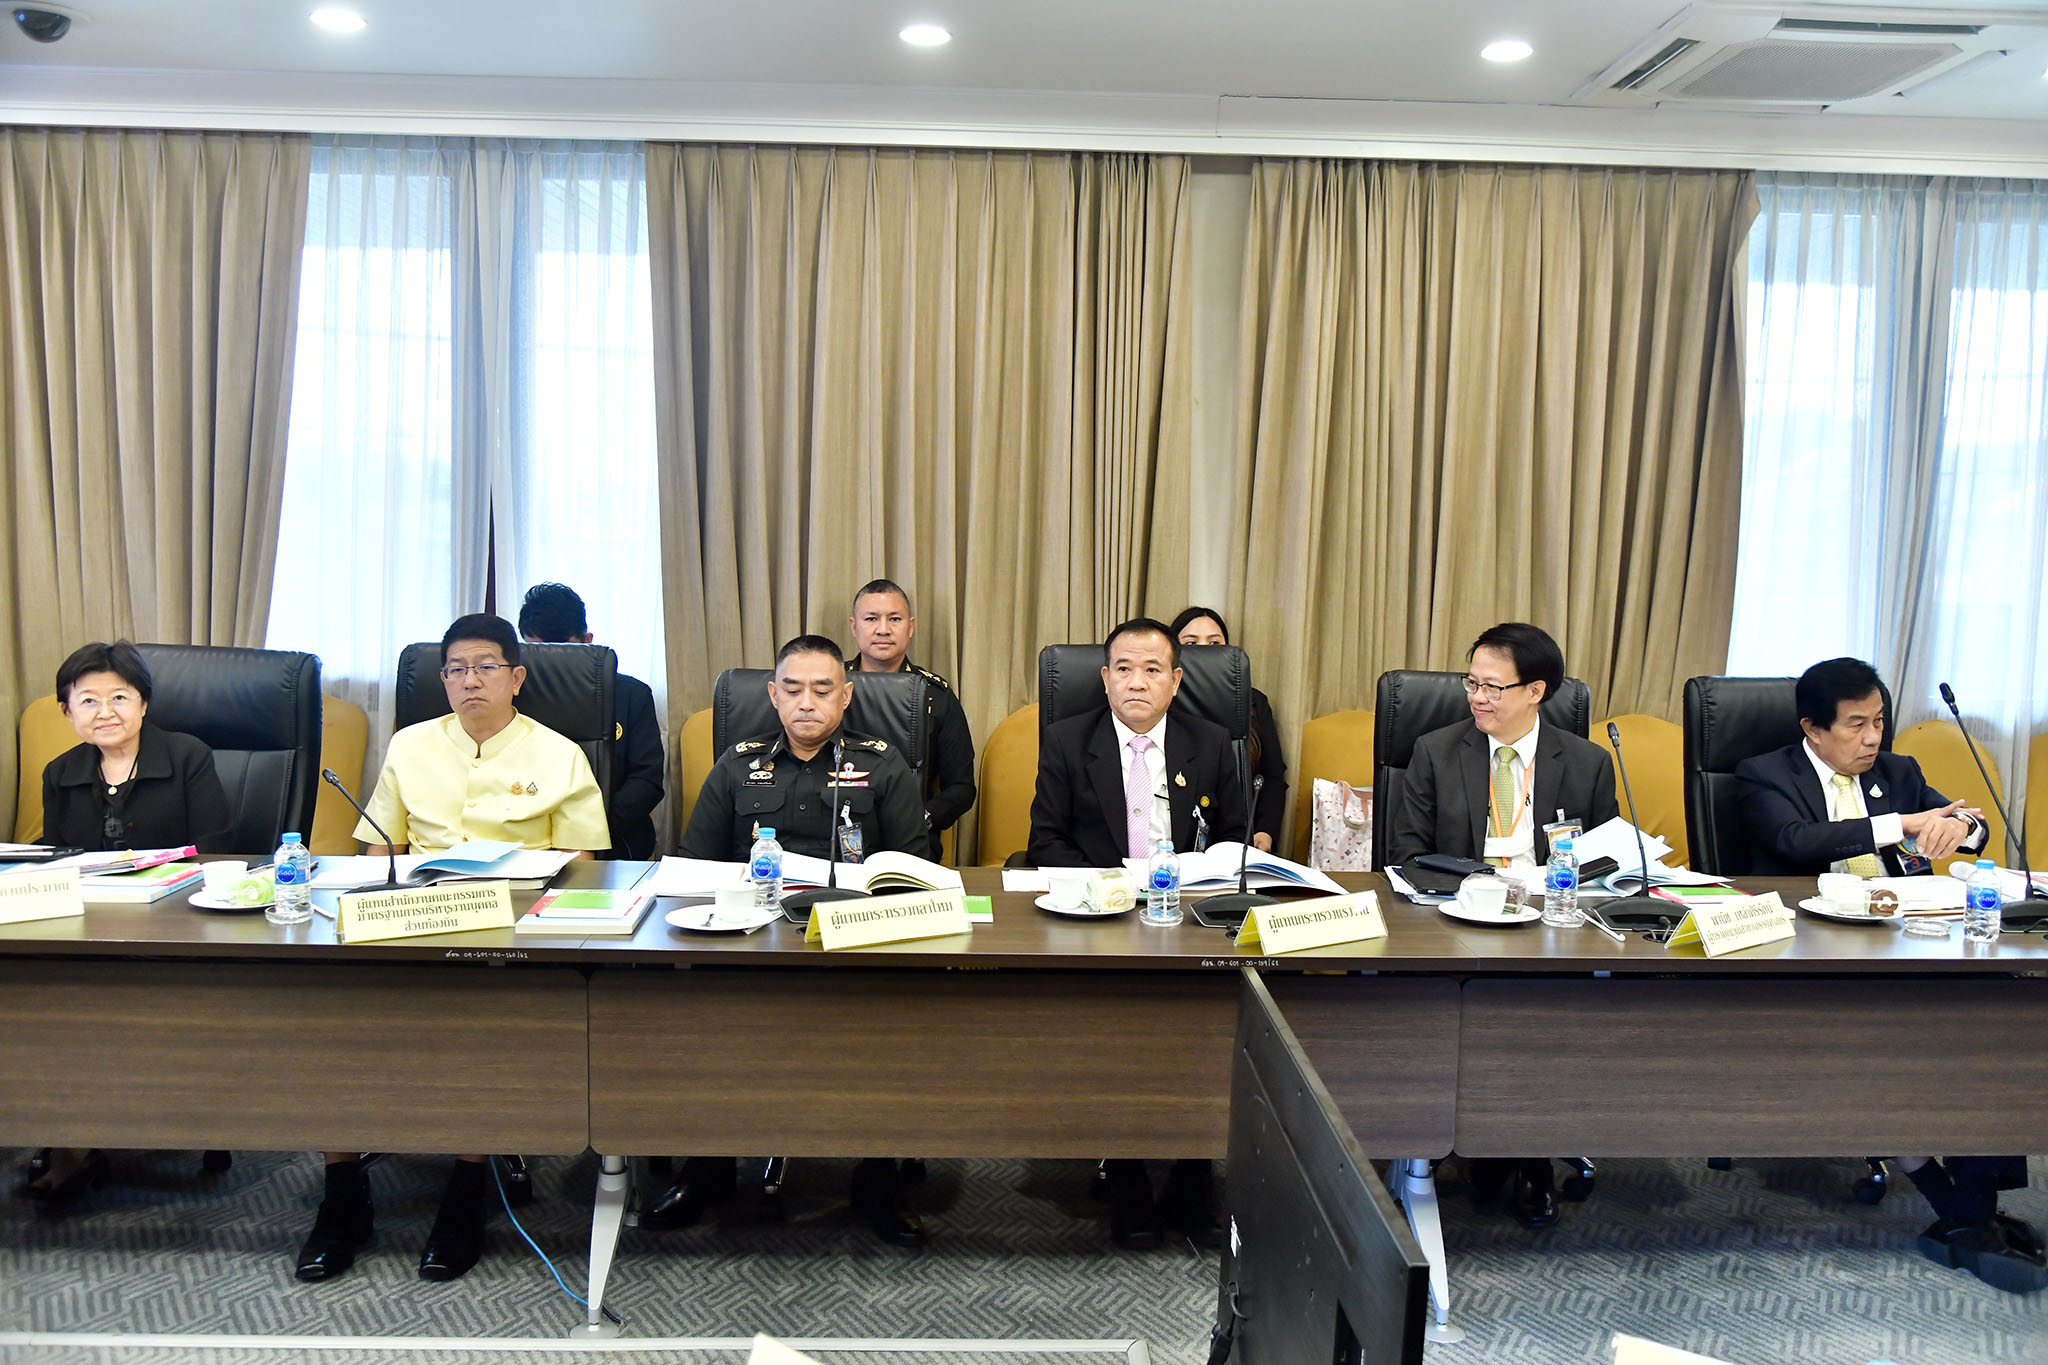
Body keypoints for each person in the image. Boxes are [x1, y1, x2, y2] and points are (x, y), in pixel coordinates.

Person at [296, 613, 609, 1285]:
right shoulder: (409, 745)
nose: (471, 680)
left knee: (479, 1028)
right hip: (415, 917)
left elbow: (580, 868)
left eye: (486, 667)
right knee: (327, 1015)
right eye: (456, 669)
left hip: (509, 935)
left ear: (516, 678)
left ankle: (467, 1189)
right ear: (441, 680)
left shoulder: (560, 754)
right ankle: (342, 1194)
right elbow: (380, 850)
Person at [1735, 658, 2036, 1293]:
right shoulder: (1763, 774)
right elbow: (1795, 842)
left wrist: (1960, 825)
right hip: (1811, 954)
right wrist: (1903, 824)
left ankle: (1973, 1206)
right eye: (1856, 725)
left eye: (1879, 721)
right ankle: (1957, 1206)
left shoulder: (1900, 772)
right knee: (1898, 1049)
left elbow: (1967, 824)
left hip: (1908, 944)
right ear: (1813, 728)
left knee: (1991, 1033)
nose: (1873, 737)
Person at [654, 634, 930, 1246]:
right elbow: (694, 867)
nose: (808, 702)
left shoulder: (883, 764)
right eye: (794, 689)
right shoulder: (737, 765)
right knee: (699, 1021)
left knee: (889, 1028)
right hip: (747, 944)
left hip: (853, 948)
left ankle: (878, 1177)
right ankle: (707, 1169)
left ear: (846, 696)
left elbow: (912, 869)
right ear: (773, 695)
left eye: (823, 689)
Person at [1384, 621, 1618, 1231]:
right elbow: (1407, 855)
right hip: (1456, 925)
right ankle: (1479, 1146)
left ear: (1536, 691)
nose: (1478, 698)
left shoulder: (1588, 763)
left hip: (1551, 933)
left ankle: (1526, 1151)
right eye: (1472, 683)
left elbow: (1604, 863)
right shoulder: (1436, 751)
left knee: (1543, 1011)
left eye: (1493, 686)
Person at [1025, 617, 1246, 1250]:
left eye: (1152, 670)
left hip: (1190, 921)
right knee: (1115, 1034)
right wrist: (1116, 891)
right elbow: (1046, 844)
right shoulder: (1068, 741)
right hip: (1103, 919)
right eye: (1124, 669)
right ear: (1104, 679)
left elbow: (1233, 840)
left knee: (1210, 1028)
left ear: (1176, 681)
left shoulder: (1211, 742)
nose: (1137, 682)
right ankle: (1125, 1174)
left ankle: (1192, 1175)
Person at [23, 641, 232, 1216]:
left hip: (178, 926)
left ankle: (86, 1139)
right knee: (39, 998)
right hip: (90, 929)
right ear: (66, 710)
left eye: (119, 697)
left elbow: (217, 852)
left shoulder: (187, 756)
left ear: (143, 704)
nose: (105, 711)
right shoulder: (60, 772)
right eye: (88, 700)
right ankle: (69, 1136)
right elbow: (58, 860)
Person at [517, 581, 666, 861]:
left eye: (562, 651)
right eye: (539, 652)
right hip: (529, 839)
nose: (551, 665)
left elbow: (646, 782)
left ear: (588, 641)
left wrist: (586, 829)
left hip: (613, 837)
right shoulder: (514, 698)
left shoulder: (631, 695)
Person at [846, 578, 976, 861]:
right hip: (838, 832)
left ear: (911, 627)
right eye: (871, 619)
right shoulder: (829, 690)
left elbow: (962, 788)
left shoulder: (936, 695)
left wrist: (921, 818)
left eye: (894, 619)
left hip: (911, 838)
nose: (883, 629)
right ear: (854, 627)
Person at [1169, 606, 1287, 852]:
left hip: (1241, 840)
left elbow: (1272, 776)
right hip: (1174, 843)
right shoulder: (1160, 703)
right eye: (1191, 643)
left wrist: (1264, 832)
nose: (1204, 652)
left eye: (1214, 644)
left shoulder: (1253, 702)